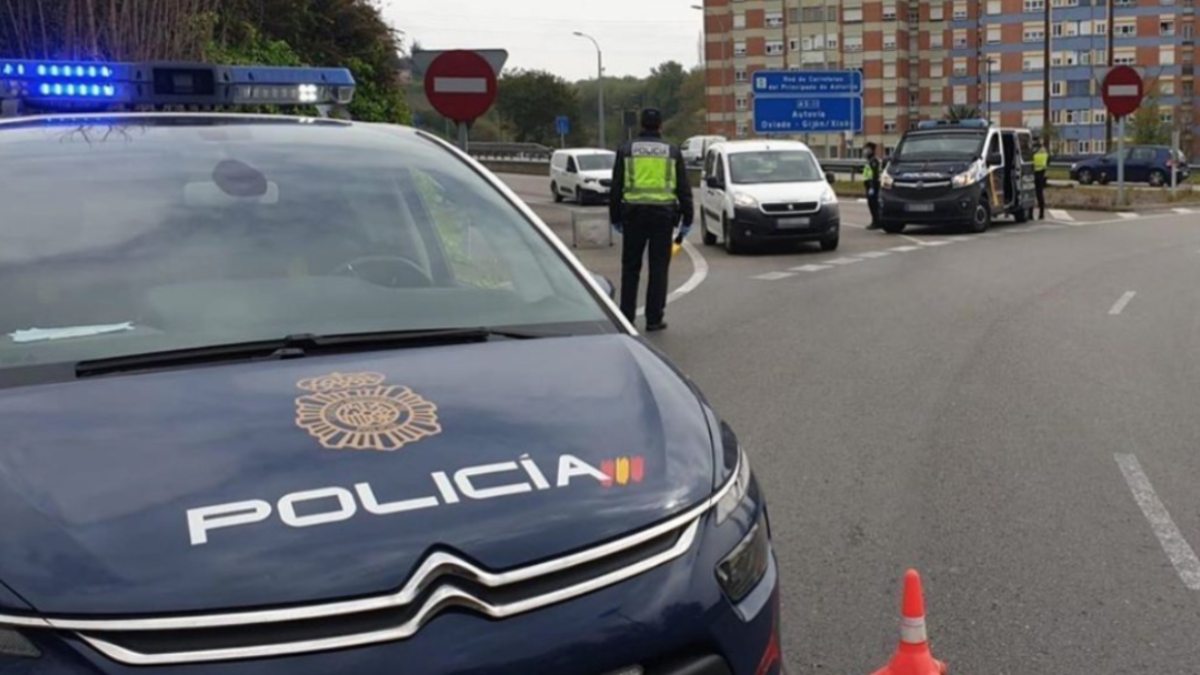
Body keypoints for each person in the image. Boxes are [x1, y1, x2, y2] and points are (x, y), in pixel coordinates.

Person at [609, 108, 693, 332]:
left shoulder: (626, 149)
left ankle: (627, 317)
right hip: (663, 216)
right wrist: (688, 219)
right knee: (658, 268)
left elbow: (616, 186)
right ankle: (654, 318)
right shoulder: (672, 151)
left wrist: (615, 217)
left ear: (641, 125)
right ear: (660, 126)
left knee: (630, 267)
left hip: (633, 214)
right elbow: (683, 189)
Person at [863, 142, 882, 230]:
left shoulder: (874, 161)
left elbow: (874, 175)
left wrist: (872, 187)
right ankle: (875, 221)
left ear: (871, 150)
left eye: (867, 149)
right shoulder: (870, 161)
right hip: (869, 186)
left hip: (873, 186)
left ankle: (876, 222)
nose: (865, 151)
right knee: (871, 204)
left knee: (874, 205)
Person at [1032, 140, 1050, 220]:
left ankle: (1030, 214)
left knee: (1031, 194)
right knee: (1040, 195)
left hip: (1034, 174)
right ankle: (1041, 214)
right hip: (1042, 174)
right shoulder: (1044, 152)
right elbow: (1049, 161)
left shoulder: (1033, 152)